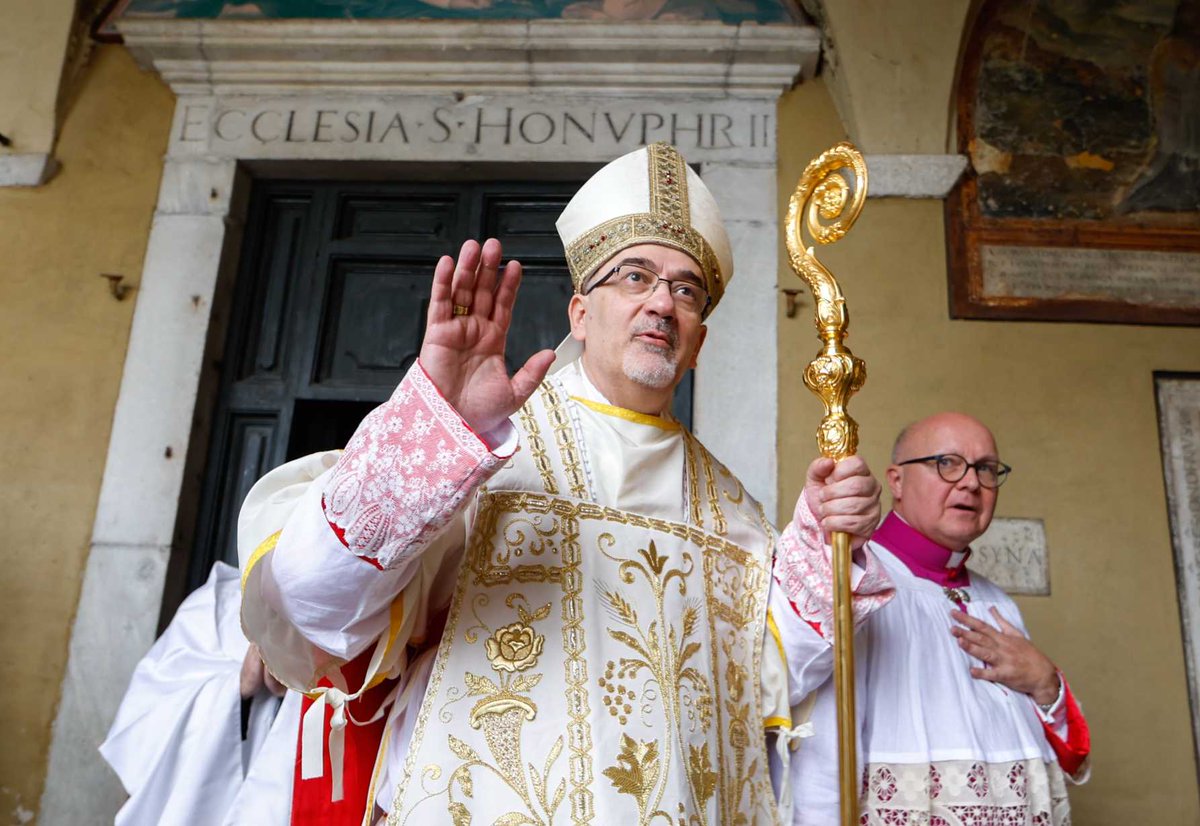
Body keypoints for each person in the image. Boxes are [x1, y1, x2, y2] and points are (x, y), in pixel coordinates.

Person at [236, 142, 894, 825]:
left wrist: (823, 541)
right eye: (635, 277)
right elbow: (314, 606)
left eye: (686, 290)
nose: (661, 303)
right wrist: (436, 429)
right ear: (580, 313)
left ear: (699, 342)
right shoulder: (482, 448)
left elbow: (762, 682)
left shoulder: (732, 513)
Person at [784, 412, 1091, 825]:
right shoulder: (855, 583)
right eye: (947, 463)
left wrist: (1045, 682)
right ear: (896, 481)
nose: (971, 483)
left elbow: (1070, 754)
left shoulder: (997, 602)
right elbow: (818, 750)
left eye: (985, 468)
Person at [100, 562, 300, 826]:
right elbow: (146, 723)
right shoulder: (212, 607)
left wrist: (297, 687)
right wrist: (237, 687)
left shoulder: (346, 622)